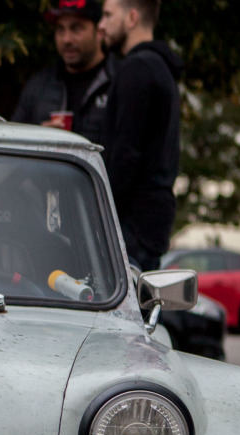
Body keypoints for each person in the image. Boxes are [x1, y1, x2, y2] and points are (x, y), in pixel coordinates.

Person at [97, 0, 182, 271]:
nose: (101, 25)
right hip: (148, 224)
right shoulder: (160, 68)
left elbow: (125, 153)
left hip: (131, 228)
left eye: (108, 15)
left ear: (132, 18)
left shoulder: (138, 69)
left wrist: (101, 215)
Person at [11, 0, 116, 145]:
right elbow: (13, 144)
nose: (66, 39)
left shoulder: (120, 80)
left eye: (76, 28)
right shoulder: (39, 85)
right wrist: (37, 138)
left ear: (99, 32)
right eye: (60, 29)